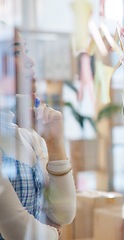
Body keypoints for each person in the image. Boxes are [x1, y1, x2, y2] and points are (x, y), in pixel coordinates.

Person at [0, 29, 76, 239]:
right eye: (16, 53)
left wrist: (55, 143)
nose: (30, 61)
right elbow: (18, 230)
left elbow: (63, 213)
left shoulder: (30, 138)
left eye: (26, 51)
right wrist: (56, 233)